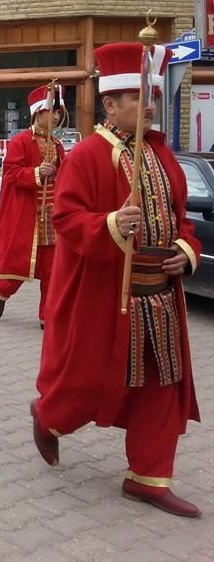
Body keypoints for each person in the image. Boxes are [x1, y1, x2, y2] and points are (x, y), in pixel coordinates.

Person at [31, 41, 202, 517]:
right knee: (87, 382)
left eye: (151, 98)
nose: (149, 106)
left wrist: (185, 251)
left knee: (161, 385)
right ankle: (47, 417)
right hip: (107, 296)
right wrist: (108, 224)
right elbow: (65, 218)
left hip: (160, 295)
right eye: (137, 99)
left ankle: (148, 478)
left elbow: (180, 219)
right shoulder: (87, 156)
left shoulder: (163, 156)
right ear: (110, 104)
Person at [0, 85, 66, 327]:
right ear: (38, 113)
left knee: (53, 270)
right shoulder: (21, 141)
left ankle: (47, 316)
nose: (55, 116)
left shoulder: (58, 145)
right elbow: (11, 175)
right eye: (51, 111)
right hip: (28, 216)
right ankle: (1, 292)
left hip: (52, 217)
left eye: (58, 112)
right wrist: (36, 172)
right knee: (20, 265)